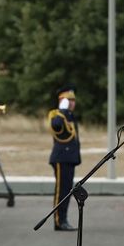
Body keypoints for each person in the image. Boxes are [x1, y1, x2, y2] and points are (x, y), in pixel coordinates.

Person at [47, 86, 80, 231]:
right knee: (61, 191)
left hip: (69, 158)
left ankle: (63, 218)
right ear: (61, 101)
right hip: (61, 158)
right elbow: (56, 126)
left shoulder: (69, 115)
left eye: (73, 100)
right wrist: (62, 110)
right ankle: (59, 221)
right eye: (68, 99)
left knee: (67, 190)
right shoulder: (57, 115)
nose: (72, 103)